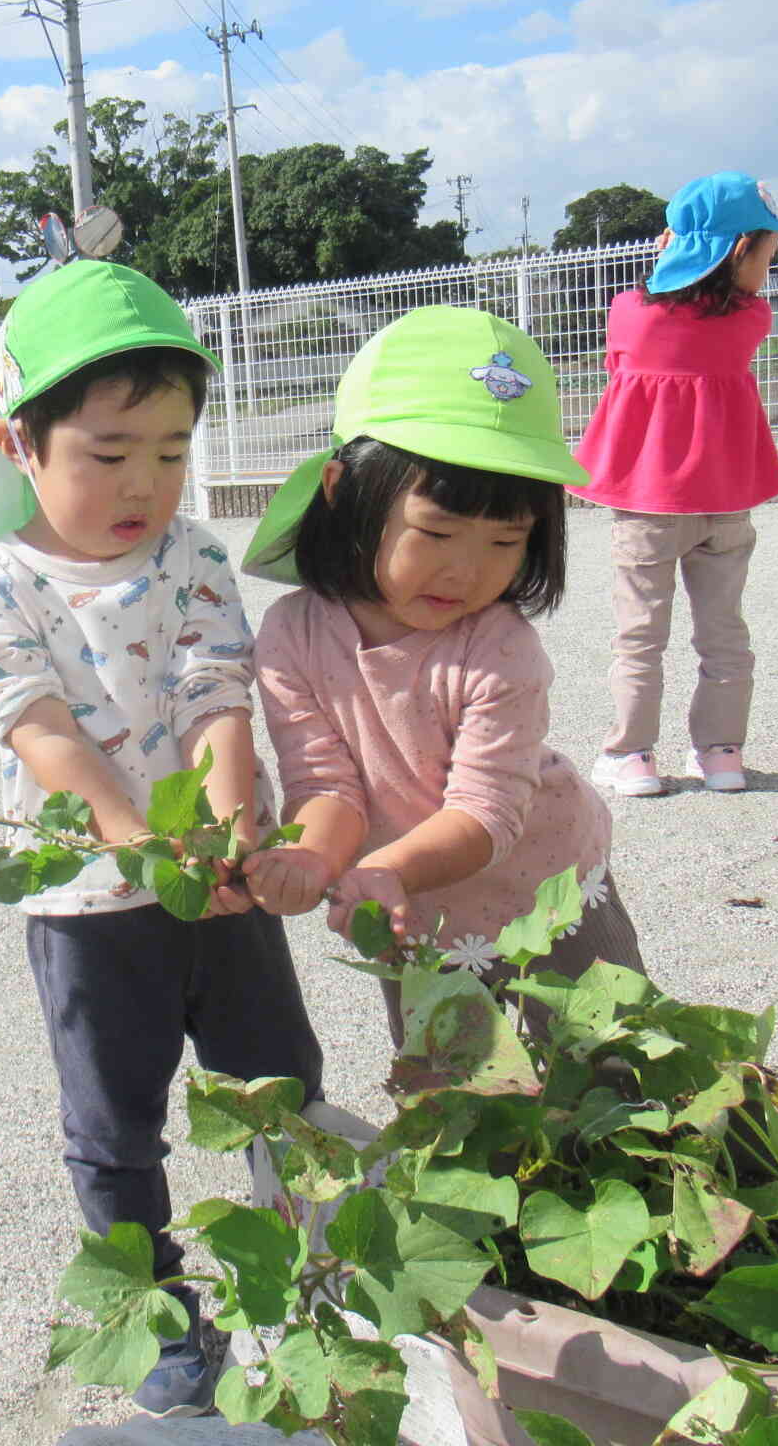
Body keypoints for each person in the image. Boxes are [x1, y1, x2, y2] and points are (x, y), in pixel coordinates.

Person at [0, 261, 324, 1420]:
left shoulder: (192, 556)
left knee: (279, 1085)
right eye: (107, 455)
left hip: (218, 882)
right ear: (19, 444)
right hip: (90, 908)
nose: (143, 484)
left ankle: (309, 1275)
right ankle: (151, 1307)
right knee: (115, 1126)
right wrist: (144, 847)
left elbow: (220, 691)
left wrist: (222, 819)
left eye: (168, 451)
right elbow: (45, 736)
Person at [239, 306, 646, 1050]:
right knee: (455, 1109)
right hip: (410, 912)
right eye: (435, 532)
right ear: (343, 488)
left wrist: (385, 867)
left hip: (547, 891)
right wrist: (313, 857)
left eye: (504, 540)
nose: (466, 570)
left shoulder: (499, 647)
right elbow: (325, 785)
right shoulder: (291, 636)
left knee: (611, 1074)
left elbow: (489, 811)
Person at [573, 171, 778, 797]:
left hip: (648, 505)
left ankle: (634, 756)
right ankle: (722, 755)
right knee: (724, 631)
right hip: (725, 504)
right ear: (736, 250)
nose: (771, 263)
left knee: (640, 634)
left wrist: (671, 256)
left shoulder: (629, 312)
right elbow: (724, 312)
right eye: (766, 249)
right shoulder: (752, 319)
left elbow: (628, 347)